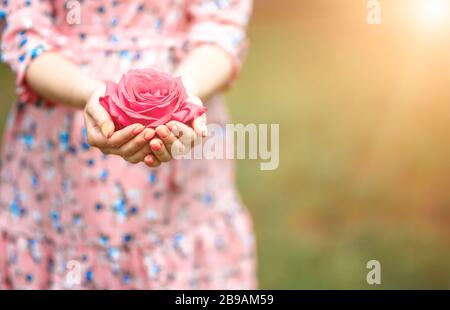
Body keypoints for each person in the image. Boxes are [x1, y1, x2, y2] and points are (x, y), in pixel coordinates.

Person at [0, 0, 255, 289]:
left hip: (183, 167)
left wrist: (183, 98)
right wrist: (88, 94)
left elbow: (221, 30)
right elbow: (25, 36)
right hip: (60, 161)